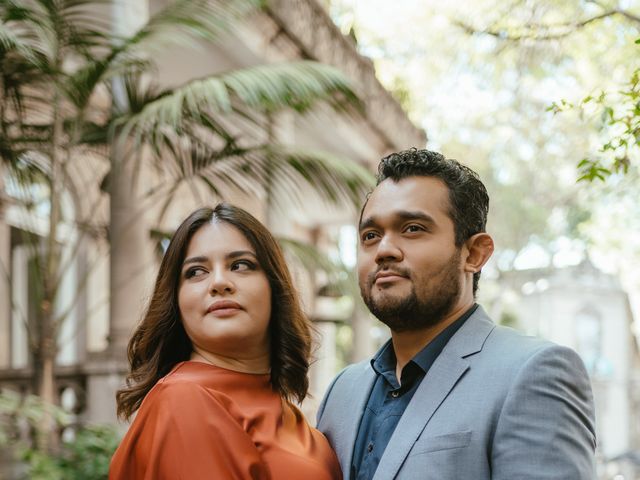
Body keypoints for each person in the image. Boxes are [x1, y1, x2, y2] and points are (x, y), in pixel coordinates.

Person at [317, 149, 596, 480]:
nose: (384, 250)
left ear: (474, 254)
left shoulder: (534, 372)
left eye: (413, 228)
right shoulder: (342, 391)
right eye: (370, 236)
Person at [110, 203, 341, 480]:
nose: (219, 282)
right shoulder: (184, 399)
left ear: (274, 286)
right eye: (196, 271)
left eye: (240, 265)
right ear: (177, 300)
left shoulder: (289, 414)